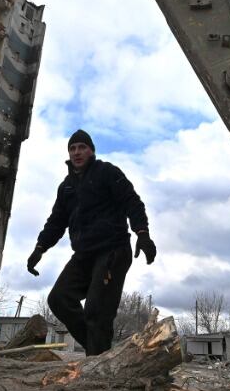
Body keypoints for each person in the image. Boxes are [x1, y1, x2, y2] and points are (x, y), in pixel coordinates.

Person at [27, 129, 155, 355]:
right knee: (59, 298)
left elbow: (132, 201)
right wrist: (39, 249)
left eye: (82, 147)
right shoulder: (66, 187)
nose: (77, 152)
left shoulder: (106, 172)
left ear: (91, 150)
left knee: (97, 310)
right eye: (72, 148)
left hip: (112, 250)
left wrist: (142, 234)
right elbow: (56, 222)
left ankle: (98, 360)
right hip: (84, 255)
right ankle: (101, 353)